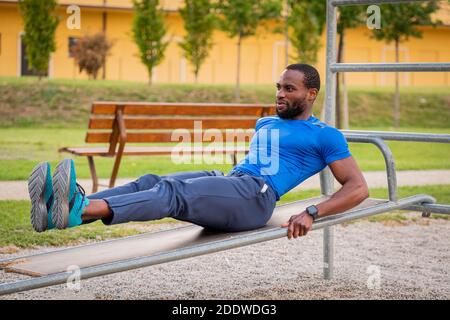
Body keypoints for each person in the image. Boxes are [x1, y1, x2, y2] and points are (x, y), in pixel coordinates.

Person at [28, 63, 369, 240]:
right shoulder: (265, 122)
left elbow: (358, 188)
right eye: (278, 87)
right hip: (235, 181)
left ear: (311, 94)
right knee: (150, 180)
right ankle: (63, 214)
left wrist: (311, 211)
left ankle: (80, 206)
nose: (280, 94)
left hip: (256, 198)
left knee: (172, 192)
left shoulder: (326, 135)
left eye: (289, 89)